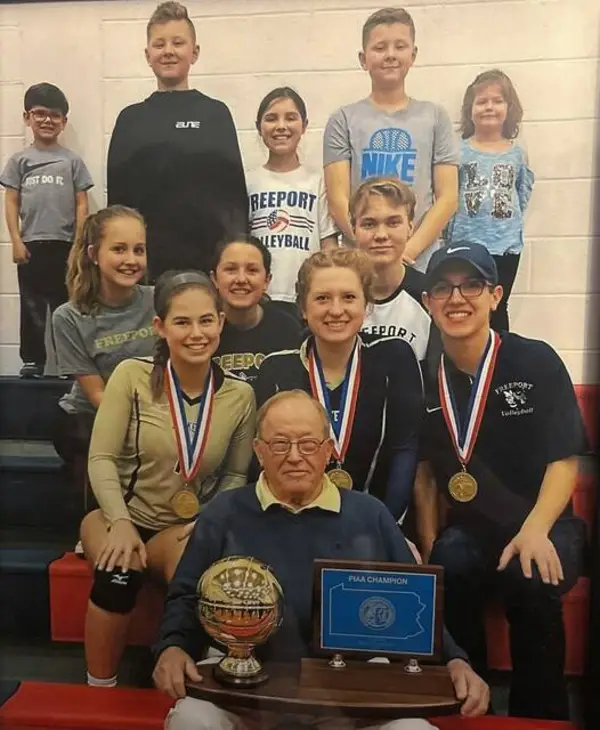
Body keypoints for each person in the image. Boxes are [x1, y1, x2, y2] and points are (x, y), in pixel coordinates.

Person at [152, 390, 490, 729]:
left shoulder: (370, 514)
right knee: (191, 720)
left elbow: (417, 605)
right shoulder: (223, 512)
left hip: (353, 696)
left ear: (328, 450)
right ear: (258, 451)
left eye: (308, 444)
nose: (294, 457)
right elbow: (186, 596)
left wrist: (454, 660)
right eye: (280, 444)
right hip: (241, 691)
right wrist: (173, 646)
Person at [418, 242, 587, 720]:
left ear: (495, 295)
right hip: (472, 530)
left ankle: (541, 715)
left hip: (547, 523)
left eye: (471, 285)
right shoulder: (425, 377)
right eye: (443, 288)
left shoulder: (535, 361)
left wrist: (535, 530)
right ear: (428, 303)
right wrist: (429, 549)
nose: (457, 298)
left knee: (529, 573)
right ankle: (469, 707)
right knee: (450, 561)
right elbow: (425, 474)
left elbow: (564, 459)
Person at [81, 270, 256, 689]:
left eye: (206, 320)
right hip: (119, 515)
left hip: (181, 526)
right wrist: (120, 522)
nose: (196, 333)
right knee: (119, 571)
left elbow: (236, 473)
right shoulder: (131, 376)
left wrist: (210, 517)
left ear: (220, 322)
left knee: (200, 571)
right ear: (160, 327)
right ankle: (99, 690)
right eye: (182, 322)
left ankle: (190, 680)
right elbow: (101, 457)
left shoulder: (240, 395)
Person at [254, 248, 423, 522]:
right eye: (322, 298)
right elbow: (264, 461)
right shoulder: (277, 369)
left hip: (374, 522)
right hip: (294, 520)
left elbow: (404, 450)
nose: (336, 310)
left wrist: (387, 526)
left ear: (367, 306)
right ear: (303, 308)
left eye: (349, 297)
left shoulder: (395, 358)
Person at [107, 1, 247, 280]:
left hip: (207, 271)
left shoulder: (215, 114)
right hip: (145, 272)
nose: (168, 51)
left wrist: (234, 265)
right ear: (147, 55)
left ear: (194, 52)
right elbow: (117, 208)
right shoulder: (130, 120)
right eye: (159, 44)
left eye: (178, 43)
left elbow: (234, 202)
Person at [323, 7, 458, 271]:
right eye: (380, 47)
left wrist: (407, 252)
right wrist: (369, 248)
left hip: (419, 261)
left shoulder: (435, 117)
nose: (390, 55)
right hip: (361, 262)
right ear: (363, 59)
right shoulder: (343, 120)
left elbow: (448, 197)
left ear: (413, 55)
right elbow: (338, 200)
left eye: (400, 46)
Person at [52, 206, 155, 499]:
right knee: (95, 440)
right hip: (92, 415)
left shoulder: (159, 299)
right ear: (94, 254)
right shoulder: (69, 317)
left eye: (139, 250)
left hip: (151, 409)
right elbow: (98, 394)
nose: (131, 260)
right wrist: (145, 429)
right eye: (119, 249)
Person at [0, 82, 93, 378]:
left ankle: (68, 363)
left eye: (55, 115)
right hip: (31, 245)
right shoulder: (19, 161)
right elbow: (11, 201)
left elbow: (82, 203)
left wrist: (78, 244)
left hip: (65, 246)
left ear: (63, 121)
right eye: (40, 113)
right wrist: (16, 240)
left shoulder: (72, 161)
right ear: (27, 117)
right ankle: (32, 360)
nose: (47, 120)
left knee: (66, 306)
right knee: (32, 307)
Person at [445, 69, 534, 332]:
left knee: (498, 304)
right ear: (470, 110)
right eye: (481, 101)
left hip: (505, 246)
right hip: (466, 241)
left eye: (497, 101)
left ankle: (500, 352)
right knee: (466, 302)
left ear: (510, 108)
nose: (489, 107)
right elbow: (448, 194)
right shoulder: (458, 151)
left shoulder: (517, 154)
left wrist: (506, 225)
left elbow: (522, 194)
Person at [247, 87, 338, 319]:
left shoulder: (318, 183)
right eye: (271, 118)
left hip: (304, 299)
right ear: (259, 127)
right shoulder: (248, 182)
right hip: (259, 297)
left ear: (304, 125)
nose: (281, 126)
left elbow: (328, 245)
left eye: (290, 118)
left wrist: (327, 289)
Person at [351, 177, 432, 363]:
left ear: (410, 228)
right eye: (369, 224)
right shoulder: (338, 296)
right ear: (354, 229)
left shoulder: (429, 295)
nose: (381, 235)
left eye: (393, 222)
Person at [211, 235, 302, 385]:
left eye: (252, 270)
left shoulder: (288, 330)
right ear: (214, 278)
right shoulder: (202, 330)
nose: (241, 279)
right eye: (231, 269)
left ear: (267, 280)